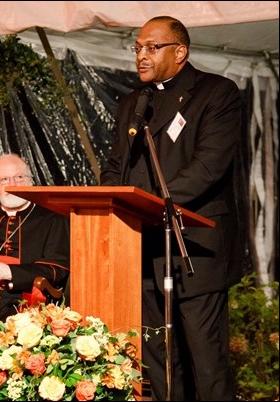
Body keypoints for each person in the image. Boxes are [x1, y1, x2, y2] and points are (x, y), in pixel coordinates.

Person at [100, 16, 244, 401]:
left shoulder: (217, 93)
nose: (141, 56)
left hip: (194, 247)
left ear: (180, 52)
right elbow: (116, 166)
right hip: (144, 248)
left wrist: (150, 204)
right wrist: (113, 199)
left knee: (207, 365)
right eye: (137, 48)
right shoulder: (133, 102)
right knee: (160, 364)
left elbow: (209, 166)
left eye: (152, 47)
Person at [0, 153, 70, 355]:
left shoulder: (52, 218)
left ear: (31, 181)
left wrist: (8, 272)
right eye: (4, 179)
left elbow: (57, 269)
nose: (12, 184)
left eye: (19, 177)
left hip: (22, 307)